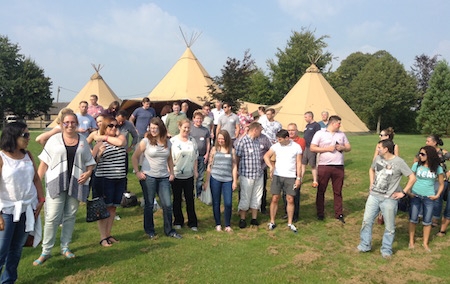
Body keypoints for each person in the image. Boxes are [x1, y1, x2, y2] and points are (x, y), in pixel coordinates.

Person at [34, 112, 96, 265]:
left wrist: (88, 173)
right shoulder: (53, 140)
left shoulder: (83, 140)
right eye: (66, 122)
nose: (70, 125)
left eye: (73, 122)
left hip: (76, 183)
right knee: (52, 217)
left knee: (70, 216)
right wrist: (35, 184)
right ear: (61, 123)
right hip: (56, 183)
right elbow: (44, 163)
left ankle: (65, 247)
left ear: (77, 123)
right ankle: (46, 251)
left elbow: (90, 162)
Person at [0, 122, 45, 282]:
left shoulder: (28, 155)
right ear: (12, 136)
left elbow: (36, 179)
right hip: (6, 210)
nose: (28, 138)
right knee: (1, 250)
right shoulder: (2, 157)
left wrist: (41, 199)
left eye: (28, 134)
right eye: (25, 135)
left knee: (17, 249)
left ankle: (8, 280)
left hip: (27, 209)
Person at [357, 140, 416, 259]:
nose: (377, 149)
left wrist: (403, 193)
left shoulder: (399, 162)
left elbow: (412, 177)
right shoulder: (378, 158)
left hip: (389, 199)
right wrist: (371, 183)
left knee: (389, 227)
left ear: (386, 149)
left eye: (379, 147)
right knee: (366, 221)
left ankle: (386, 250)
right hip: (374, 196)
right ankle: (364, 245)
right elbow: (371, 169)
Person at [131, 117, 181, 239]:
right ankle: (150, 230)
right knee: (149, 204)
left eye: (155, 128)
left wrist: (172, 172)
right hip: (149, 176)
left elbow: (169, 158)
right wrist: (137, 172)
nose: (152, 130)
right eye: (151, 128)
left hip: (163, 176)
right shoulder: (146, 141)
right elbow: (134, 157)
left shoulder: (167, 142)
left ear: (161, 128)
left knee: (167, 204)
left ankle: (169, 230)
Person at [92, 117, 127, 246]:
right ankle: (102, 237)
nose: (114, 128)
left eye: (115, 126)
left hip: (119, 179)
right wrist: (99, 155)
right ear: (105, 127)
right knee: (103, 208)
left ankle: (108, 234)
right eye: (110, 126)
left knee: (113, 208)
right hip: (104, 179)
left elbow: (121, 143)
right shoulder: (99, 145)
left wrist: (104, 137)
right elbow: (91, 163)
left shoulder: (121, 138)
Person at [310, 115, 351, 223]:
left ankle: (339, 213)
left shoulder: (341, 134)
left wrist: (343, 148)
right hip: (324, 165)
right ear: (332, 123)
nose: (340, 125)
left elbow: (348, 147)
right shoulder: (320, 133)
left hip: (339, 166)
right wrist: (326, 149)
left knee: (338, 191)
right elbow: (312, 147)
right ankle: (320, 213)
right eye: (338, 123)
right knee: (321, 190)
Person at [264, 129, 302, 233]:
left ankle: (290, 223)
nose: (278, 141)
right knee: (275, 198)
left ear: (287, 138)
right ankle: (272, 221)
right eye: (277, 139)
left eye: (280, 139)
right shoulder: (276, 146)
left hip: (290, 176)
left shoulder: (296, 147)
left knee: (290, 199)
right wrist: (271, 167)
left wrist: (298, 178)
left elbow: (299, 163)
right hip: (277, 175)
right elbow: (266, 156)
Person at [408, 146, 444, 252]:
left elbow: (441, 184)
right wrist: (409, 191)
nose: (420, 156)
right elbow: (411, 178)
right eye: (420, 153)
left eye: (423, 154)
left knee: (427, 221)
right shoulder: (416, 165)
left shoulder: (437, 168)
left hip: (429, 197)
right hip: (416, 195)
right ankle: (411, 241)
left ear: (430, 155)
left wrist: (437, 195)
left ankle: (425, 243)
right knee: (413, 219)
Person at [205, 130, 238, 232]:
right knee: (216, 202)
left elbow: (234, 166)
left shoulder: (231, 150)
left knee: (228, 203)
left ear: (226, 139)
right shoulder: (214, 149)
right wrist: (207, 181)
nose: (220, 141)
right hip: (215, 178)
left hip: (227, 179)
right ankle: (218, 223)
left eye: (222, 139)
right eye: (219, 139)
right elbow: (210, 165)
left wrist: (235, 181)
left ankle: (227, 224)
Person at [235, 122, 265, 228]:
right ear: (255, 130)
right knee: (245, 197)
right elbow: (237, 157)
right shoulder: (243, 141)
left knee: (257, 196)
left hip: (258, 174)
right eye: (260, 130)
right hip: (247, 174)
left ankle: (254, 218)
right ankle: (242, 218)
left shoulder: (257, 141)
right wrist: (237, 172)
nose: (261, 132)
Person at [170, 119, 199, 231]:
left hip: (189, 175)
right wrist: (170, 172)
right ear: (179, 127)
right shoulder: (173, 141)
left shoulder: (192, 141)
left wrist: (195, 171)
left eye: (188, 128)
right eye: (184, 127)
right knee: (177, 199)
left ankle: (192, 222)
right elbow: (169, 159)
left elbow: (195, 157)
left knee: (189, 199)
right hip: (176, 175)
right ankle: (178, 220)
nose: (186, 130)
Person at [423, 134, 450, 228]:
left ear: (434, 143)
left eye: (428, 141)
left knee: (437, 198)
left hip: (440, 179)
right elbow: (416, 159)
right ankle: (424, 215)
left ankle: (435, 218)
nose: (426, 143)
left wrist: (448, 173)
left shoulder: (442, 152)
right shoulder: (425, 151)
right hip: (427, 177)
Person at [284, 123, 306, 222]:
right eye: (289, 130)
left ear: (296, 131)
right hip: (285, 170)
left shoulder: (300, 141)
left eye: (292, 130)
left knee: (295, 194)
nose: (291, 132)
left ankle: (295, 215)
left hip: (295, 170)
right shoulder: (285, 141)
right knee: (285, 194)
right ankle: (287, 212)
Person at [190, 110, 211, 198]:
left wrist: (207, 154)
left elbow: (208, 142)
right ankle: (190, 192)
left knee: (201, 174)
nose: (199, 120)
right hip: (192, 156)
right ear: (194, 119)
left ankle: (198, 192)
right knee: (191, 174)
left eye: (200, 119)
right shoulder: (190, 129)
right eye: (197, 118)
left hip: (202, 155)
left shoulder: (205, 130)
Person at [302, 111, 321, 188]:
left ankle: (315, 180)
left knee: (312, 165)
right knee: (303, 164)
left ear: (310, 117)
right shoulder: (307, 125)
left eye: (306, 117)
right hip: (305, 147)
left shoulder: (316, 125)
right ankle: (300, 179)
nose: (305, 119)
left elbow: (318, 136)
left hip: (312, 148)